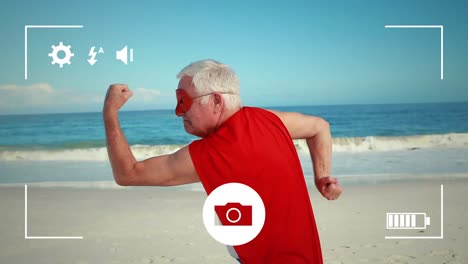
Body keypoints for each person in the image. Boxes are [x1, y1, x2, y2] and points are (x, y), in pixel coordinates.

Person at [103, 59, 342, 264]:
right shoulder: (269, 120)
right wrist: (322, 176)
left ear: (217, 101)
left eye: (183, 101)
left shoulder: (213, 152)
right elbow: (319, 127)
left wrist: (110, 112)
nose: (178, 111)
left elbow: (128, 173)